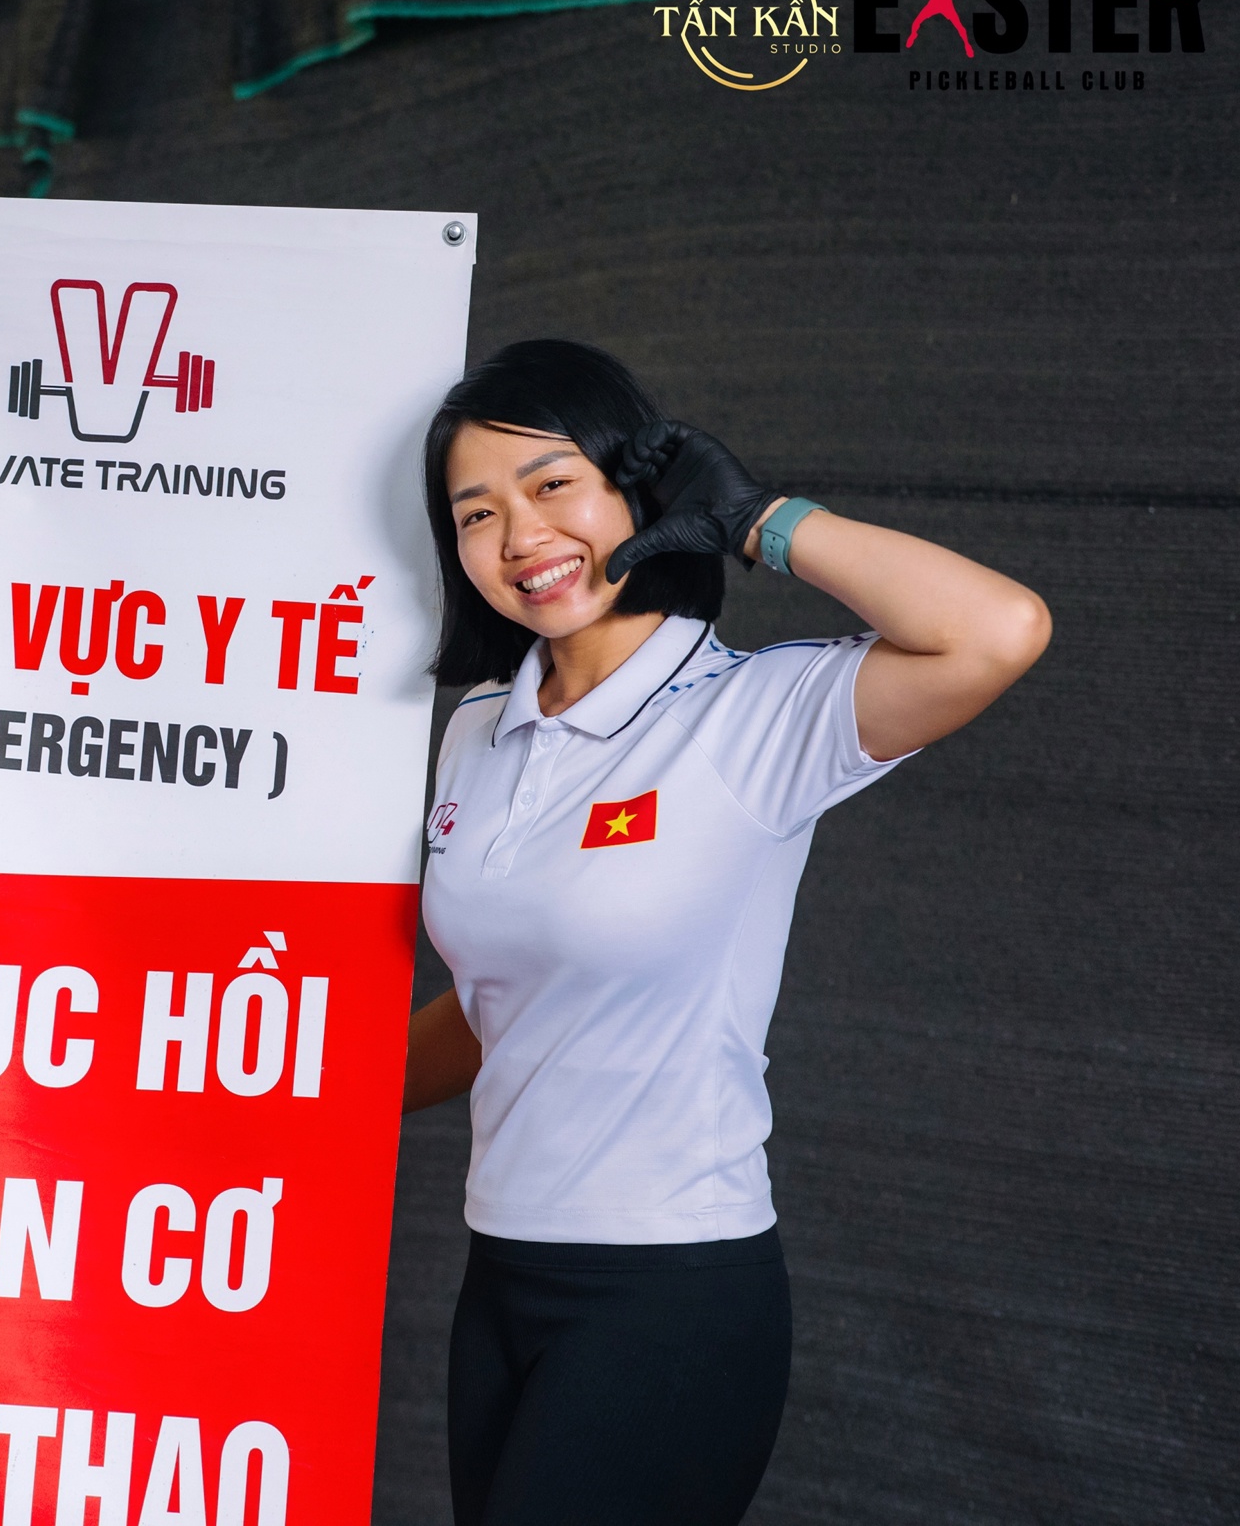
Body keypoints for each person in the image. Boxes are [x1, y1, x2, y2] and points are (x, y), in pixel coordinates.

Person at [400, 340, 1050, 1525]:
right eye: (476, 513)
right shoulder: (479, 731)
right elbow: (507, 1011)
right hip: (501, 1278)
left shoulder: (751, 714)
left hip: (667, 1296)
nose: (521, 536)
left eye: (554, 485)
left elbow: (998, 630)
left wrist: (761, 523)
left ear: (639, 489)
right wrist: (290, 1094)